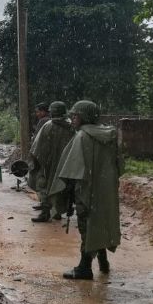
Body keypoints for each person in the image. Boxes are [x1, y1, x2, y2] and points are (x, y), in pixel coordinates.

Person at [49, 100, 121, 280]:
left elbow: (72, 171)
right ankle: (103, 262)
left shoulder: (82, 137)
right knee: (100, 222)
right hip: (105, 189)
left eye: (76, 115)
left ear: (85, 117)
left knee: (86, 226)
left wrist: (68, 194)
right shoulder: (110, 135)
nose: (72, 119)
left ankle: (84, 268)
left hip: (86, 190)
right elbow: (119, 165)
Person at [29, 101, 75, 223]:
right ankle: (57, 212)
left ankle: (45, 213)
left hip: (48, 163)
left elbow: (37, 148)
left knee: (43, 185)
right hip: (66, 163)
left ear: (52, 112)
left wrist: (36, 163)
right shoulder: (72, 127)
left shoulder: (48, 126)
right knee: (61, 187)